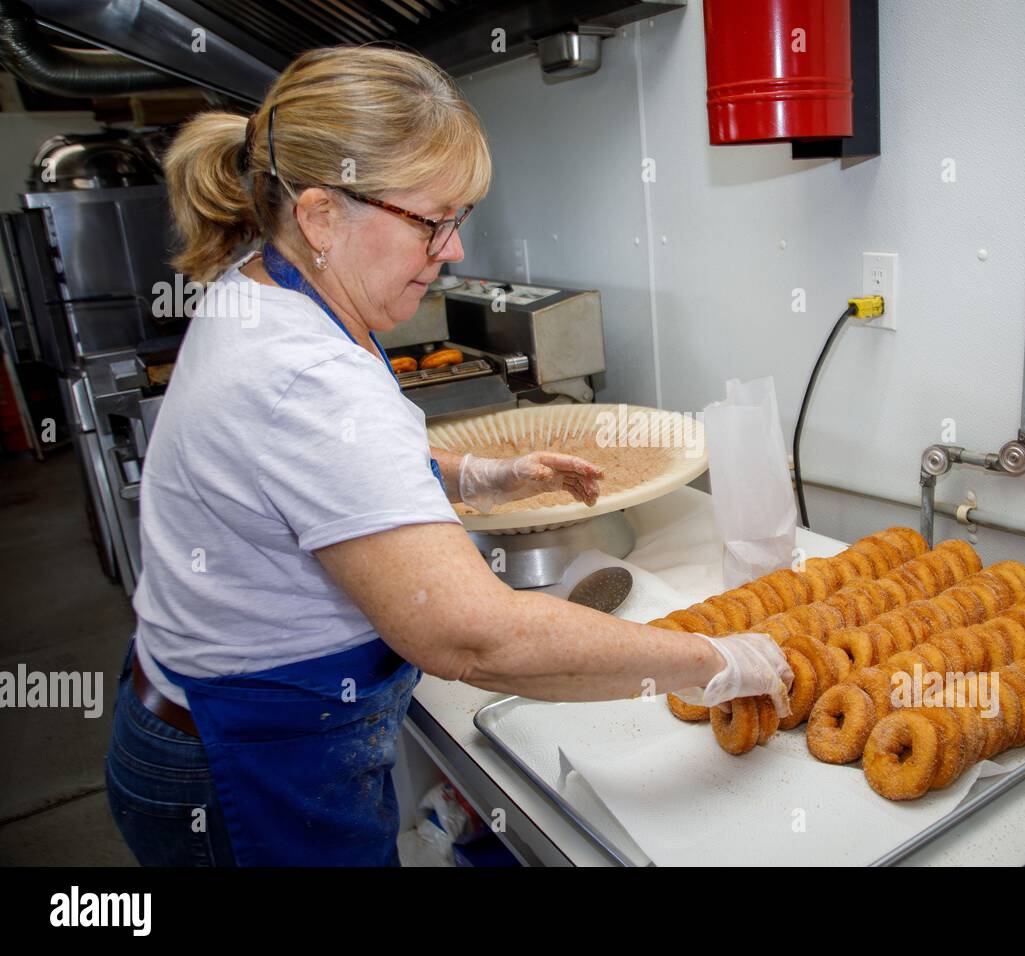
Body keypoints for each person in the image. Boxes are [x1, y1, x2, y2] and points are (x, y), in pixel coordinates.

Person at [105, 46, 790, 866]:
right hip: (248, 768)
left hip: (211, 717)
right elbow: (477, 641)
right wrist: (713, 660)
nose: (455, 251)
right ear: (322, 215)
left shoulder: (269, 287)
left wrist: (477, 475)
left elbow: (312, 475)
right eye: (434, 221)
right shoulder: (304, 373)